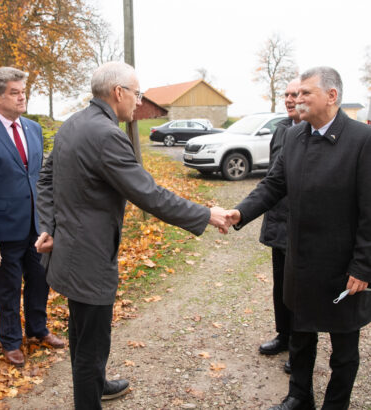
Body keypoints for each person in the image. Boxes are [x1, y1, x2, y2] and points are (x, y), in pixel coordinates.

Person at [35, 61, 230, 410]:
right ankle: (90, 397)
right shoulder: (106, 134)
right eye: (137, 94)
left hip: (67, 251)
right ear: (118, 92)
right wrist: (206, 213)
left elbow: (46, 180)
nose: (139, 102)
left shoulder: (73, 124)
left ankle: (100, 385)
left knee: (83, 332)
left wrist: (48, 225)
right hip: (89, 258)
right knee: (90, 345)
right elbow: (150, 194)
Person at [227, 67, 371, 410]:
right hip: (301, 259)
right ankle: (298, 395)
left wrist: (364, 266)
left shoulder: (362, 140)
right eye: (297, 93)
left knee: (344, 347)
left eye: (306, 93)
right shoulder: (294, 136)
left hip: (343, 265)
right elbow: (274, 184)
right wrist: (240, 212)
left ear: (331, 96)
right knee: (301, 333)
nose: (297, 99)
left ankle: (335, 404)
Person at [0, 67, 64, 367]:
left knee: (40, 282)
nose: (22, 98)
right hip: (3, 233)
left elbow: (41, 179)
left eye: (24, 92)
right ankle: (10, 341)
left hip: (36, 227)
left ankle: (38, 329)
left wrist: (49, 222)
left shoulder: (33, 128)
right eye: (15, 93)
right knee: (8, 290)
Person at [258, 78, 301, 374]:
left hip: (299, 224)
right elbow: (274, 177)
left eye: (295, 94)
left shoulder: (307, 133)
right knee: (280, 285)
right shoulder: (282, 128)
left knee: (298, 288)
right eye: (286, 94)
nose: (288, 99)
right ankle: (284, 335)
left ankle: (300, 346)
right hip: (277, 220)